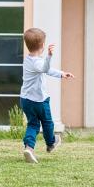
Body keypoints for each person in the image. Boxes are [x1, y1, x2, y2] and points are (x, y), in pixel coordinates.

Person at [19, 27, 74, 163]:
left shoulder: (28, 60)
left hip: (25, 100)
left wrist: (61, 74)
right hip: (39, 101)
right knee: (48, 122)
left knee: (33, 124)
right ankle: (50, 143)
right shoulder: (38, 62)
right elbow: (44, 68)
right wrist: (49, 56)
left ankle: (29, 148)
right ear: (43, 45)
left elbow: (46, 69)